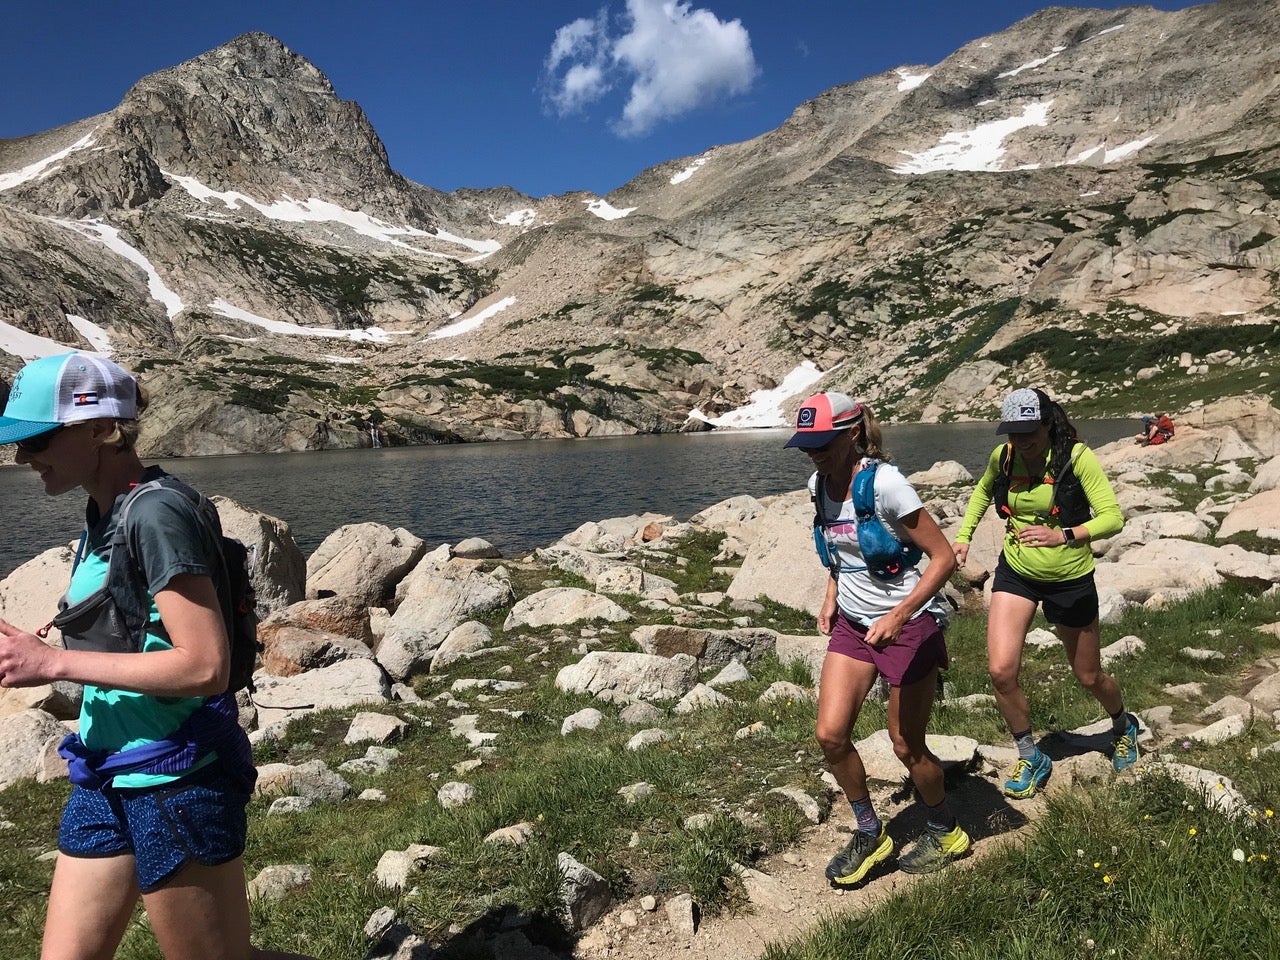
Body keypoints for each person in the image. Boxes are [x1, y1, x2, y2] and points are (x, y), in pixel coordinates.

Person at [0, 353, 313, 960]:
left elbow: (204, 667)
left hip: (176, 777)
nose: (21, 457)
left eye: (36, 438)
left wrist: (52, 665)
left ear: (100, 428)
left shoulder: (156, 512)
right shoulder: (105, 512)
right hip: (104, 775)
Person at [785, 391, 969, 885]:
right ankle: (871, 831)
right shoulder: (817, 484)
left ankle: (945, 827)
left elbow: (944, 557)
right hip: (853, 623)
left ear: (850, 433)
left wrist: (900, 614)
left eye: (822, 442)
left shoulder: (886, 484)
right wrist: (831, 596)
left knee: (907, 745)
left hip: (907, 627)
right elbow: (840, 551)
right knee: (830, 735)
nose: (813, 453)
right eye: (806, 444)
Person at [952, 387, 1139, 800]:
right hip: (1017, 572)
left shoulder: (1077, 457)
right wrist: (963, 537)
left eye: (1028, 431)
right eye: (1012, 432)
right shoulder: (1003, 458)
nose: (1020, 440)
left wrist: (1063, 535)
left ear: (1048, 422)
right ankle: (1029, 753)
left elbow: (1113, 517)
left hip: (1070, 577)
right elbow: (983, 491)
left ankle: (1124, 726)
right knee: (1001, 671)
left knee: (1088, 675)